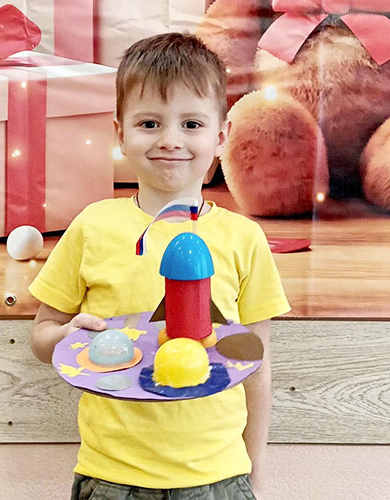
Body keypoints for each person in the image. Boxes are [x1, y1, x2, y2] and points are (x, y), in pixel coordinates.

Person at [29, 32, 290, 500]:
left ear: (221, 136)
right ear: (120, 133)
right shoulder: (92, 226)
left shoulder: (245, 239)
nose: (170, 140)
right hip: (111, 478)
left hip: (218, 478)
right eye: (149, 123)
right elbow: (42, 336)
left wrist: (256, 472)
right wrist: (64, 335)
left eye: (191, 124)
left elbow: (258, 366)